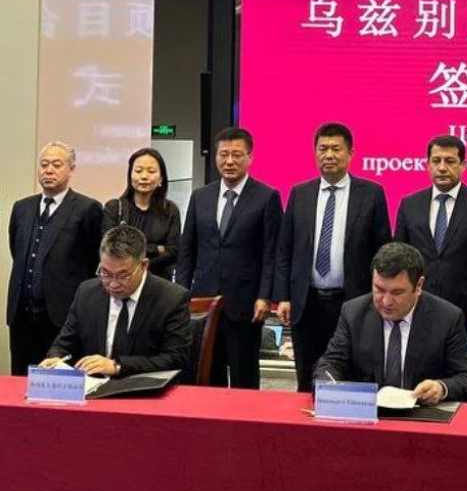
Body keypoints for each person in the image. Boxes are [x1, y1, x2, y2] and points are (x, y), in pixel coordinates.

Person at [274, 122, 392, 393]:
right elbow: (285, 249)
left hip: (353, 302)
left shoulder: (371, 194)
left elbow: (382, 251)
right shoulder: (299, 193)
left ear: (351, 153)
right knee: (307, 377)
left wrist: (378, 298)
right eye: (322, 148)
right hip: (307, 302)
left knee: (352, 373)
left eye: (336, 149)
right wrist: (283, 297)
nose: (328, 155)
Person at [394, 134, 467, 402]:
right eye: (436, 161)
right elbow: (398, 261)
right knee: (416, 388)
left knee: (465, 388)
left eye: (450, 161)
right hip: (416, 313)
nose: (442, 167)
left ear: (463, 165)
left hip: (466, 319)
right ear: (427, 164)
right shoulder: (410, 205)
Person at [175, 127, 282, 389]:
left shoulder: (267, 197)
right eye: (223, 154)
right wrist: (181, 295)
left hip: (246, 302)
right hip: (204, 301)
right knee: (208, 374)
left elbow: (271, 253)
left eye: (236, 154)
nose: (229, 161)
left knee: (244, 375)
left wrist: (265, 296)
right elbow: (187, 250)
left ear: (250, 157)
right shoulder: (201, 196)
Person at [313, 242, 467, 404]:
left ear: (418, 286)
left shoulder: (447, 318)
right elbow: (330, 364)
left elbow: (466, 378)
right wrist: (328, 386)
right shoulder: (353, 313)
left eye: (397, 292)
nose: (386, 301)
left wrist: (441, 387)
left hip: (422, 413)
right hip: (367, 411)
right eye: (379, 289)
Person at [40, 225, 190, 377]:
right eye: (105, 273)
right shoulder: (86, 292)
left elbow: (175, 359)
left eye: (123, 275)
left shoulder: (172, 299)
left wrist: (117, 366)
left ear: (144, 265)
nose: (113, 284)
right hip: (93, 387)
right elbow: (64, 344)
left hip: (143, 388)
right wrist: (56, 358)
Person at [6, 142, 103, 375]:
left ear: (72, 169)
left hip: (63, 317)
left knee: (60, 383)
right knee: (20, 380)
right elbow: (16, 252)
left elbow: (94, 262)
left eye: (57, 165)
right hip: (22, 317)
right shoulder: (22, 208)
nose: (49, 170)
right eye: (44, 164)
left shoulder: (87, 208)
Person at [101, 147, 181, 280]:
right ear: (130, 175)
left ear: (161, 178)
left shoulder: (171, 210)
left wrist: (139, 267)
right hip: (121, 280)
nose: (144, 176)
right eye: (138, 171)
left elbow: (173, 252)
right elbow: (110, 246)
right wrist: (156, 249)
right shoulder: (114, 207)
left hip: (159, 281)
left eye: (151, 171)